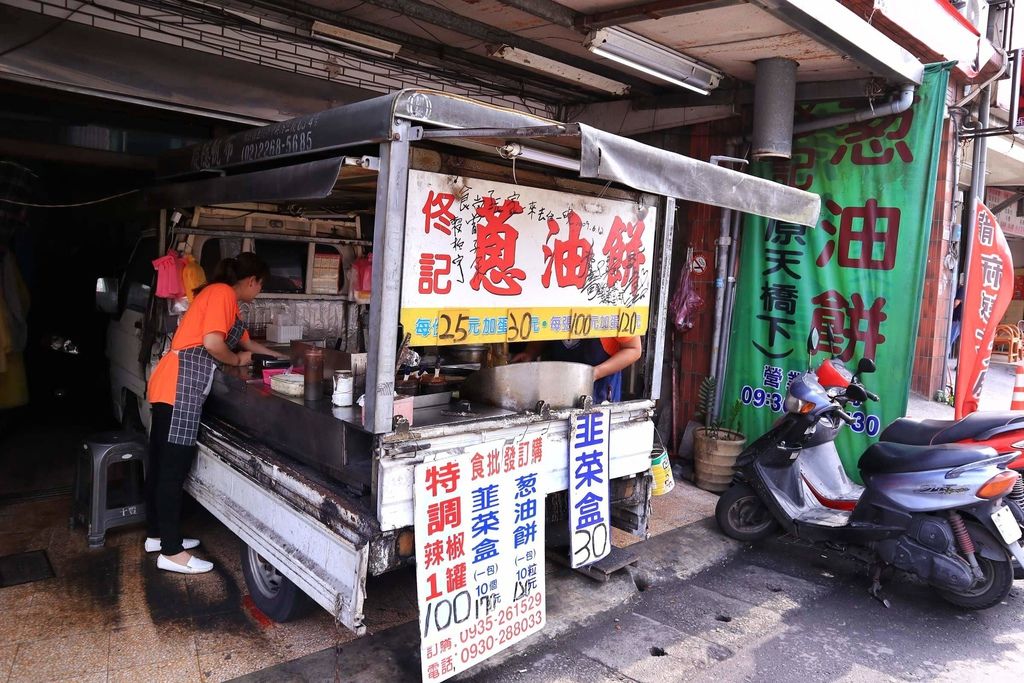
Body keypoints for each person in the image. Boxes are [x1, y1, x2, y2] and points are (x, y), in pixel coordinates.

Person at [145, 253, 286, 574]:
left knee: (160, 462)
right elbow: (212, 343)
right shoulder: (221, 293)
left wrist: (281, 357)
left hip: (174, 384)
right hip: (178, 386)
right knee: (172, 468)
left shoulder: (227, 301)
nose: (259, 291)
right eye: (260, 285)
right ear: (252, 281)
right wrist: (236, 362)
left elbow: (246, 342)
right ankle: (170, 552)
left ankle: (157, 534)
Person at [511, 336, 642, 403]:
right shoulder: (554, 295)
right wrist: (531, 352)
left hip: (599, 394)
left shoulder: (612, 303)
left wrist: (594, 373)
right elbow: (547, 327)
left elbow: (633, 349)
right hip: (555, 391)